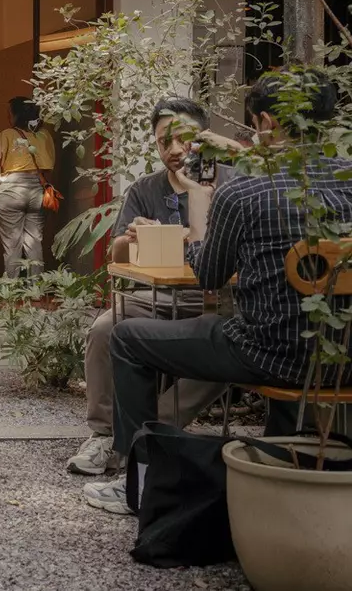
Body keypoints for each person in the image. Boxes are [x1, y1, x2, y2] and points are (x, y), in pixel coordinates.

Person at [83, 74, 351, 515]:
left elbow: (208, 274)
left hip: (269, 351)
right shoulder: (346, 178)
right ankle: (283, 464)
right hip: (341, 355)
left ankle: (141, 480)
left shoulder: (241, 191)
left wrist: (199, 203)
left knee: (127, 337)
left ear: (264, 122)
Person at [65, 97, 226, 476]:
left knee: (229, 348)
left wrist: (187, 234)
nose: (173, 150)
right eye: (161, 142)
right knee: (105, 328)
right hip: (156, 297)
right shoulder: (146, 189)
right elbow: (117, 253)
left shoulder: (231, 184)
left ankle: (148, 432)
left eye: (183, 139)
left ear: (205, 138)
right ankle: (104, 434)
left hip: (218, 301)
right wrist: (132, 237)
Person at [0, 97, 56, 278]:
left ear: (15, 115)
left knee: (12, 244)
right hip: (37, 188)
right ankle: (37, 288)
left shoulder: (7, 134)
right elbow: (49, 166)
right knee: (34, 242)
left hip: (11, 188)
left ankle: (11, 287)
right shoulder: (44, 135)